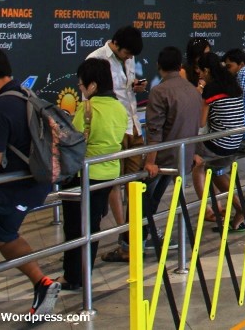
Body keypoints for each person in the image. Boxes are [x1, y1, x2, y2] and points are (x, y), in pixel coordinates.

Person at [0, 46, 60, 315]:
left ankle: (42, 282)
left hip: (14, 190)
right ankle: (42, 282)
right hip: (37, 182)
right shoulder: (26, 94)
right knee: (0, 232)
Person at [105, 46, 202, 262]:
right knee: (151, 199)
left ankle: (130, 246)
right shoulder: (192, 90)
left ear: (159, 66)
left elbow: (155, 130)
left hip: (163, 158)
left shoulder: (160, 91)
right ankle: (140, 237)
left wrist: (150, 161)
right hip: (182, 156)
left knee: (140, 200)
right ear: (180, 66)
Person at [58, 58, 127, 291]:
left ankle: (73, 276)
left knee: (76, 228)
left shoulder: (86, 108)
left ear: (93, 86)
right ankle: (83, 271)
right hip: (109, 173)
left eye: (81, 86)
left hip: (84, 174)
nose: (80, 90)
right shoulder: (120, 108)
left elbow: (72, 140)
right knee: (93, 224)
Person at [90, 25, 147, 262]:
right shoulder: (96, 60)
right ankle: (124, 235)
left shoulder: (129, 59)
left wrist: (135, 88)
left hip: (133, 124)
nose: (130, 58)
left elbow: (126, 90)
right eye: (127, 54)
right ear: (116, 44)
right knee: (115, 181)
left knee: (135, 182)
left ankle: (133, 235)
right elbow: (91, 97)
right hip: (114, 128)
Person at [191, 51, 245, 231]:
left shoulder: (211, 89)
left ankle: (211, 209)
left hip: (219, 144)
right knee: (215, 171)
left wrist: (199, 93)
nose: (198, 74)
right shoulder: (233, 84)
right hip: (235, 141)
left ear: (207, 70)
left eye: (200, 71)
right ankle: (238, 209)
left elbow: (200, 121)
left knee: (194, 159)